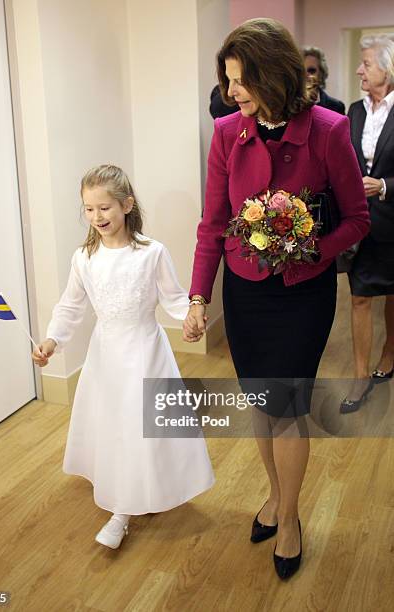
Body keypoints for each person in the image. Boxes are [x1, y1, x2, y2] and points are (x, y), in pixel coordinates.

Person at [183, 18, 369, 580]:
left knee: (288, 408)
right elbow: (213, 223)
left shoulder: (330, 130)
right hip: (245, 294)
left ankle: (288, 519)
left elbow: (357, 221)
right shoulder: (224, 133)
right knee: (262, 405)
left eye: (240, 81)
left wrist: (308, 247)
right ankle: (274, 494)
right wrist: (198, 296)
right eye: (229, 81)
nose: (231, 93)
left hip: (301, 295)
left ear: (272, 75)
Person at [32, 164, 214, 549]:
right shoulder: (84, 257)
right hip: (106, 355)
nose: (97, 217)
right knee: (115, 424)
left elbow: (174, 297)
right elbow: (71, 306)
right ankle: (123, 492)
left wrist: (191, 319)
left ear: (127, 205)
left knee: (140, 424)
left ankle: (126, 508)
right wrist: (53, 340)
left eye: (105, 208)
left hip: (145, 352)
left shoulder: (151, 253)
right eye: (89, 209)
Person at [341, 34, 394, 413]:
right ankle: (360, 378)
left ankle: (389, 356)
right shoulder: (353, 111)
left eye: (367, 64)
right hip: (359, 222)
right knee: (359, 296)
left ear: (388, 71)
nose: (360, 69)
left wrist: (386, 185)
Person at [301, 46, 346, 114]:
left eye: (311, 71)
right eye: (302, 71)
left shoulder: (336, 107)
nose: (306, 76)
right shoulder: (289, 105)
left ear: (321, 74)